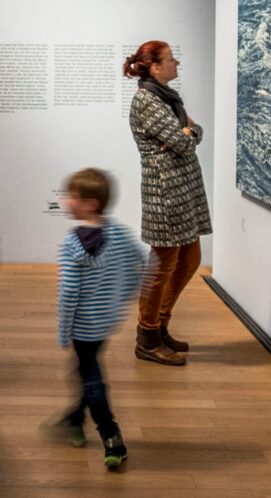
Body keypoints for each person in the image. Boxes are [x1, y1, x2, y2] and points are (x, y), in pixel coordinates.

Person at [123, 40, 212, 366]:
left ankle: (160, 325)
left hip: (181, 189)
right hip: (165, 193)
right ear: (156, 67)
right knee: (162, 264)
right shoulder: (147, 101)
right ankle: (147, 337)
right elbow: (182, 142)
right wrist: (186, 134)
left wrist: (189, 132)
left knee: (190, 258)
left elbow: (193, 132)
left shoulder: (167, 98)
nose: (178, 64)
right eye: (172, 59)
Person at [57, 168, 147, 469]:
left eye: (71, 196)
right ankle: (74, 419)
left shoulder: (73, 244)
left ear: (90, 203)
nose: (66, 201)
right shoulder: (120, 233)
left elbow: (69, 293)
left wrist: (63, 331)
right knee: (85, 370)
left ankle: (112, 437)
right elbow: (143, 262)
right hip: (106, 322)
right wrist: (125, 297)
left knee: (91, 378)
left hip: (84, 327)